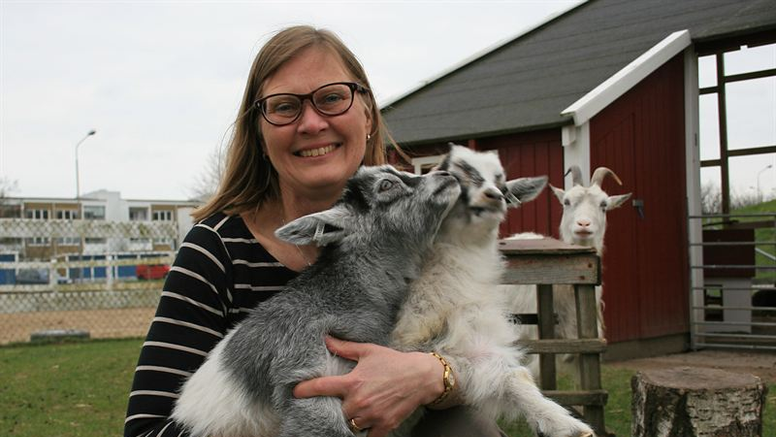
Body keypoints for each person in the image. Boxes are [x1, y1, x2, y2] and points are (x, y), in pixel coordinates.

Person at [124, 25, 506, 437]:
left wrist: (434, 375)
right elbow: (146, 429)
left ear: (368, 115)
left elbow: (485, 357)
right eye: (285, 106)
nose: (311, 123)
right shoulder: (215, 249)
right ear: (259, 131)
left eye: (332, 98)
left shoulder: (423, 237)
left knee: (466, 428)